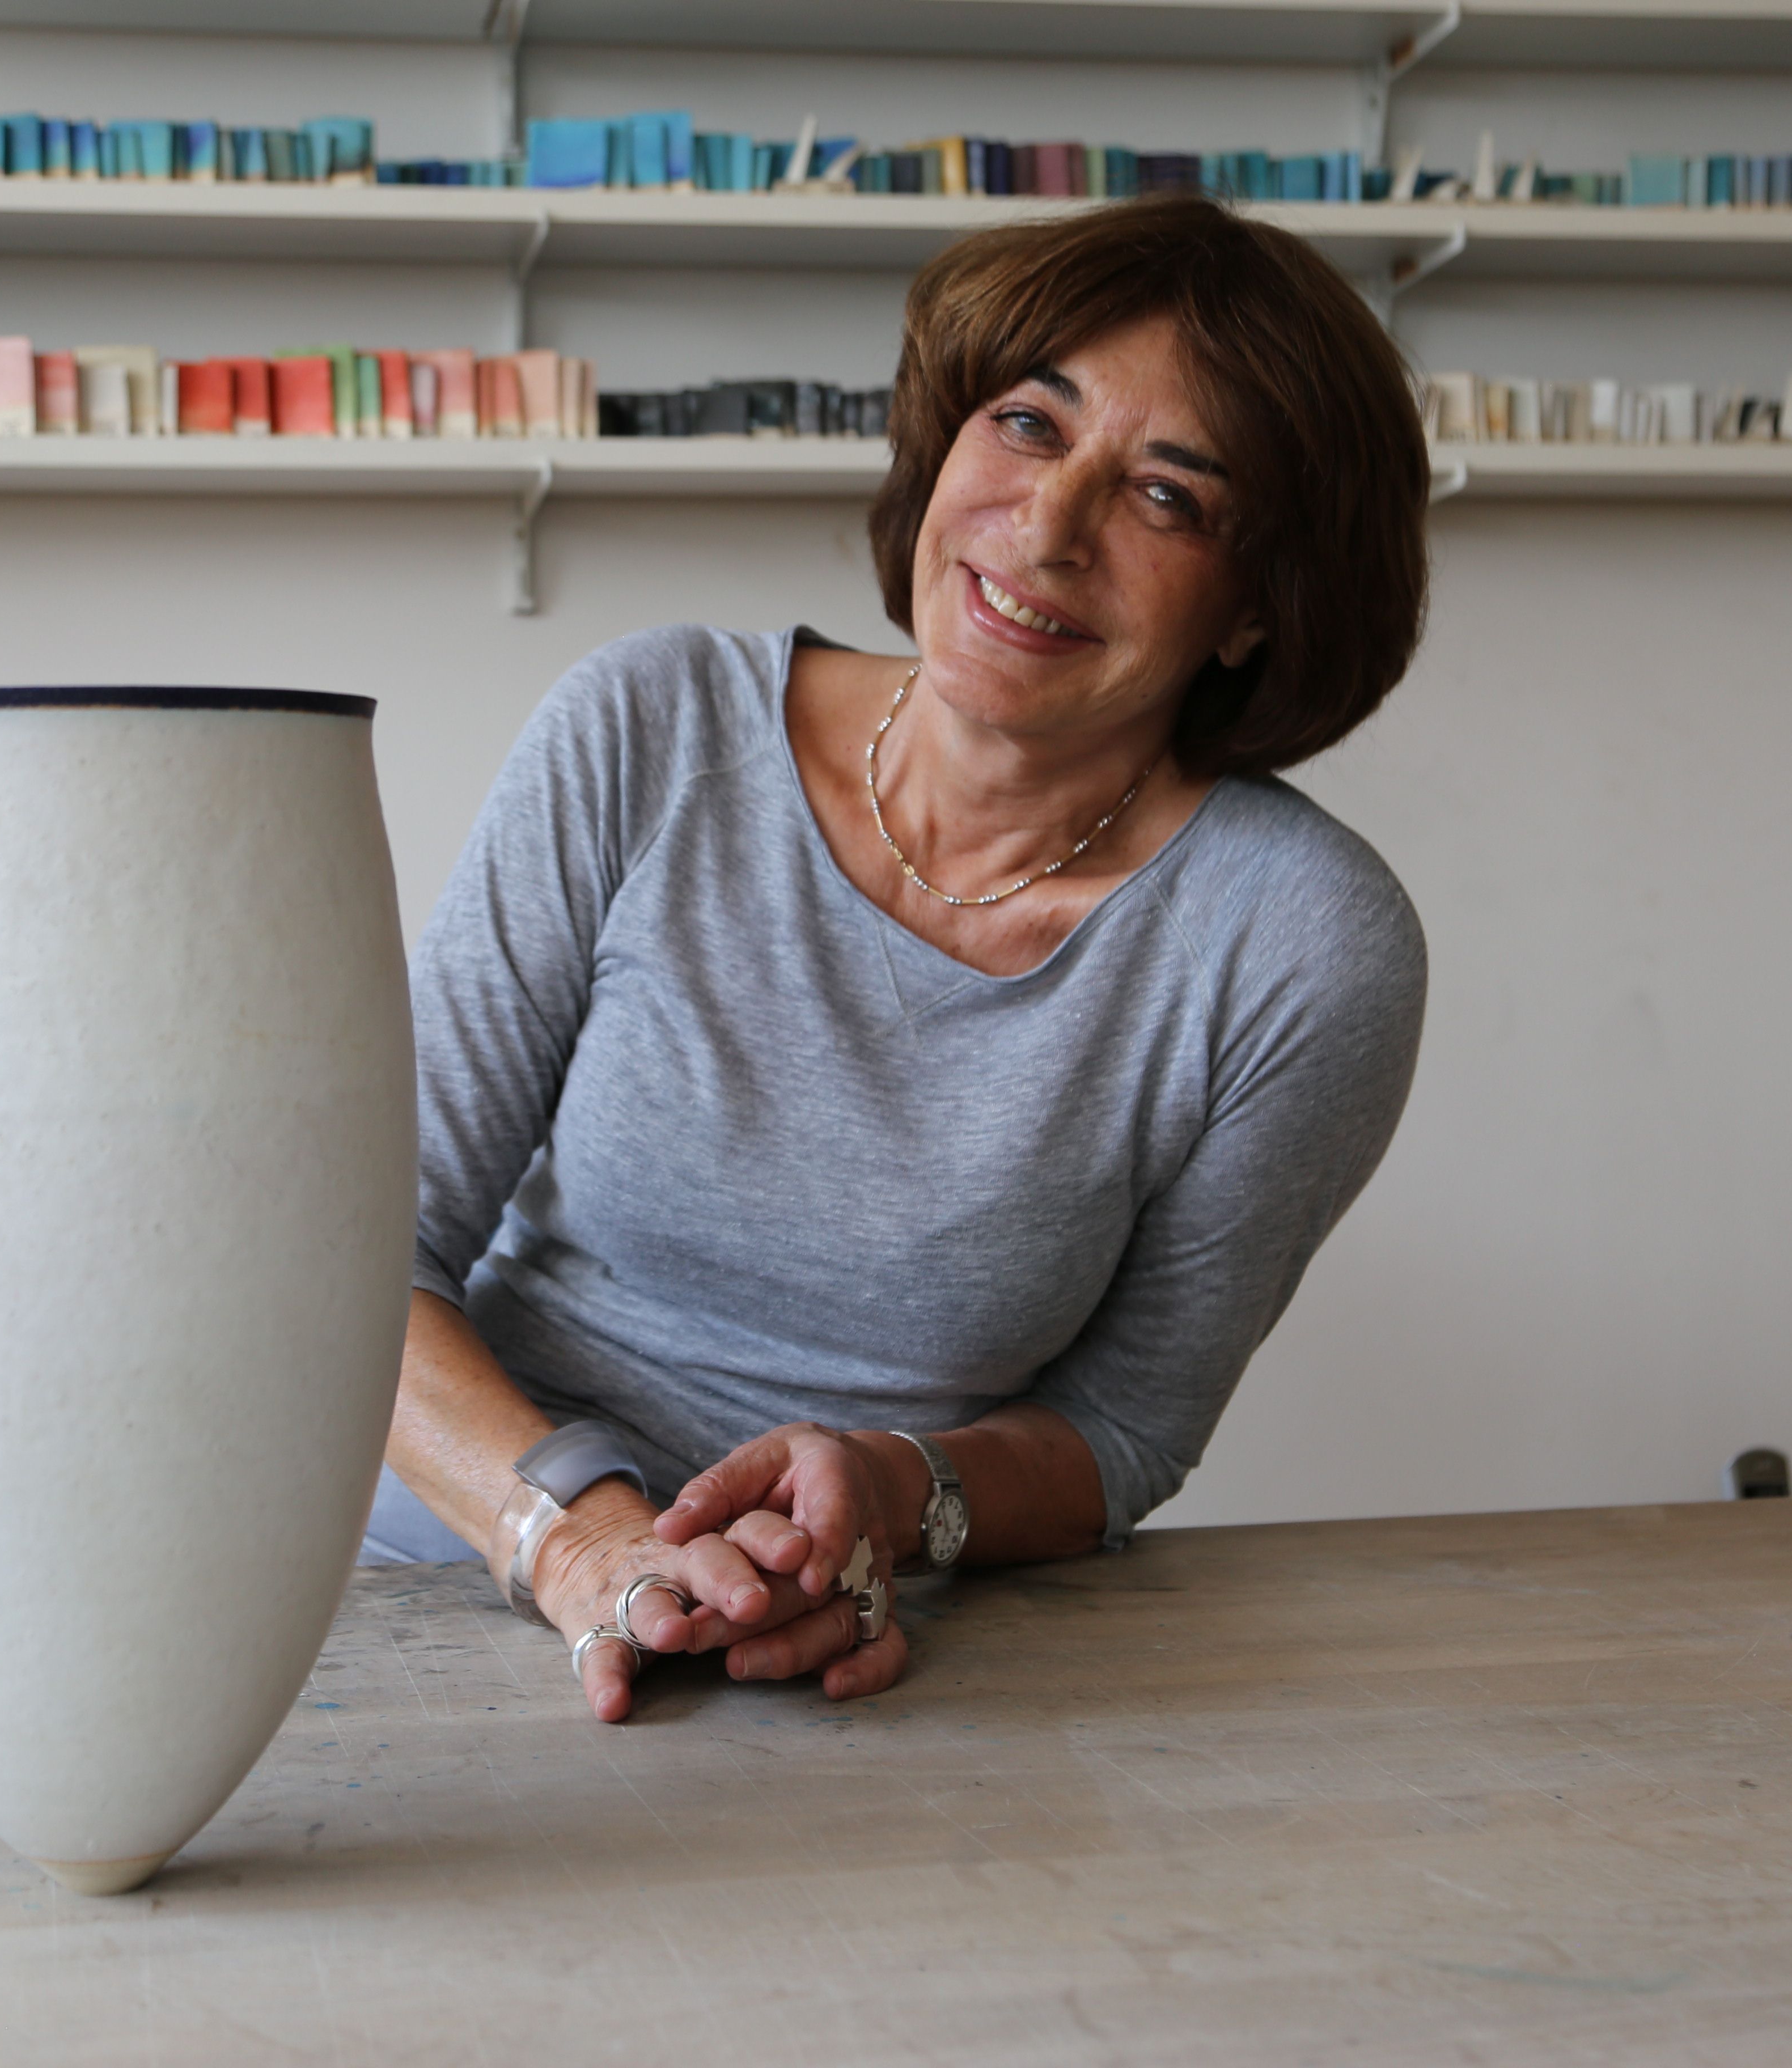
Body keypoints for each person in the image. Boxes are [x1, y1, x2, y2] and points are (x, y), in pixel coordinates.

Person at [363, 192, 1432, 1723]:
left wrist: (896, 1492)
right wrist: (585, 1544)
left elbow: (1124, 1431)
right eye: (1028, 424)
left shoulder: (1303, 947)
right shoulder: (648, 728)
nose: (1047, 528)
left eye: (1168, 497)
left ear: (1259, 610)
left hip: (855, 1668)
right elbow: (360, 1258)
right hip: (438, 1578)